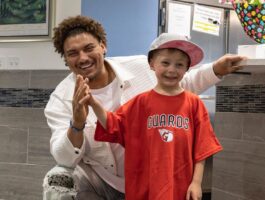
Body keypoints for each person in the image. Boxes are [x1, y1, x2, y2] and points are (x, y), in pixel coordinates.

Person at [43, 15, 244, 200]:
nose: (83, 58)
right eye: (73, 53)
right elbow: (64, 159)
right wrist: (77, 123)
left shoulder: (140, 67)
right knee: (58, 179)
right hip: (99, 181)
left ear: (103, 46)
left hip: (148, 180)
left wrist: (217, 69)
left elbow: (181, 89)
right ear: (66, 59)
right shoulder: (61, 99)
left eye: (89, 48)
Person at [81, 33, 223, 200]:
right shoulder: (140, 103)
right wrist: (93, 103)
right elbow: (113, 125)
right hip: (143, 187)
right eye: (165, 63)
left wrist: (197, 183)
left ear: (187, 68)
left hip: (180, 187)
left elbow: (202, 148)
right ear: (151, 64)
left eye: (179, 64)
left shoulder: (194, 104)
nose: (172, 69)